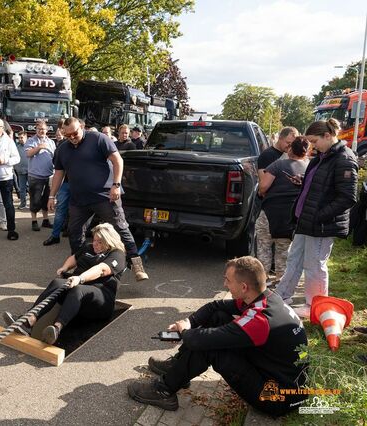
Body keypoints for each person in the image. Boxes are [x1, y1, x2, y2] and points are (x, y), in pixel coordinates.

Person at [128, 256, 309, 417]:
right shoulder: (266, 298)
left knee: (211, 347)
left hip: (277, 398)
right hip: (280, 378)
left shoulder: (260, 320)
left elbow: (200, 340)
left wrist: (184, 332)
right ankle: (178, 367)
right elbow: (215, 306)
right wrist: (188, 322)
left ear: (244, 287)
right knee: (218, 318)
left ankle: (164, 390)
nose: (225, 285)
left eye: (228, 280)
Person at [49, 117, 148, 281]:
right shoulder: (63, 148)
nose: (72, 137)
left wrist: (116, 185)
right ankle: (82, 267)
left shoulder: (98, 139)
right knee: (74, 232)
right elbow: (59, 173)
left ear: (82, 127)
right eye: (68, 135)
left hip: (105, 196)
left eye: (75, 133)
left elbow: (118, 160)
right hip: (79, 199)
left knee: (120, 228)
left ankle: (136, 266)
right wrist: (52, 195)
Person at [275, 119, 358, 315]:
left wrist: (319, 216)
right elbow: (322, 185)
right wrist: (303, 182)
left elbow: (347, 198)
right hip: (307, 219)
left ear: (327, 136)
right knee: (294, 259)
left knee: (314, 266)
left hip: (320, 223)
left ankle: (315, 306)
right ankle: (281, 296)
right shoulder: (323, 156)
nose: (312, 145)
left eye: (314, 141)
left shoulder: (344, 158)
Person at [3, 223, 126, 344]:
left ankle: (56, 330)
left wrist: (80, 278)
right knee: (57, 282)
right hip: (77, 291)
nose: (95, 244)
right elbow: (74, 258)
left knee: (78, 290)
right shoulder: (89, 248)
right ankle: (28, 322)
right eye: (94, 240)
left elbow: (101, 269)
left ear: (109, 242)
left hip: (100, 300)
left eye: (100, 242)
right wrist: (64, 268)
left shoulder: (117, 254)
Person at [257, 136, 310, 283]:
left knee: (264, 245)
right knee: (284, 249)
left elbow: (263, 187)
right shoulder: (309, 167)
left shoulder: (278, 165)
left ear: (291, 149)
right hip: (292, 214)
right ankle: (281, 282)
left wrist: (263, 193)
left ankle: (262, 279)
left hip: (270, 212)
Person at [25, 120, 55, 231]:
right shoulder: (31, 141)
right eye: (39, 129)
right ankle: (34, 221)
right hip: (35, 175)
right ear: (36, 130)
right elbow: (28, 154)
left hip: (49, 175)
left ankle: (46, 220)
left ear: (47, 130)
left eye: (43, 129)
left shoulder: (51, 142)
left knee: (47, 199)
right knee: (35, 199)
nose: (41, 131)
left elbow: (55, 156)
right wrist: (39, 147)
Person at [44, 122, 70, 246]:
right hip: (67, 183)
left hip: (83, 185)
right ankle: (55, 235)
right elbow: (58, 168)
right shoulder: (63, 146)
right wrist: (52, 195)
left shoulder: (89, 143)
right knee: (60, 210)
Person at [13, 131, 29, 210]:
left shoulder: (30, 146)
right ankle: (23, 204)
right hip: (20, 171)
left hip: (30, 171)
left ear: (26, 137)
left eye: (22, 137)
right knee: (22, 188)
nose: (20, 139)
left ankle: (33, 204)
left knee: (31, 188)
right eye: (19, 138)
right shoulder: (16, 146)